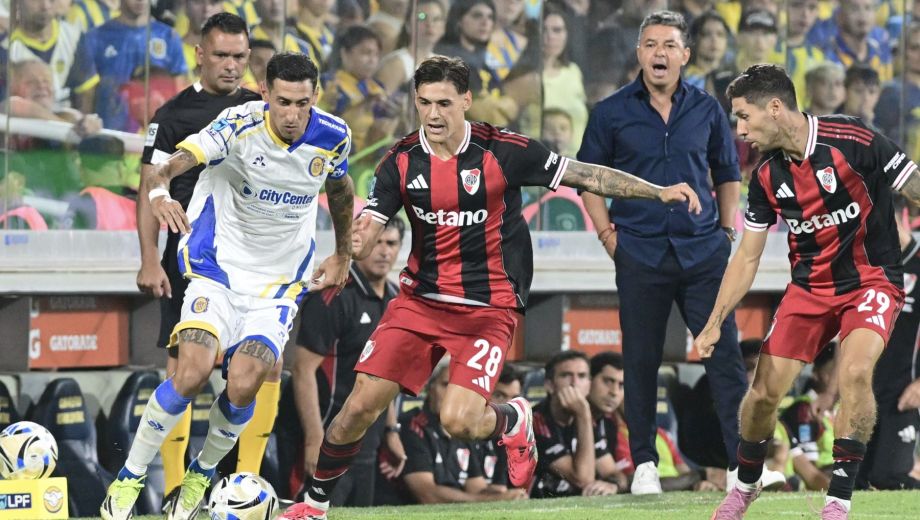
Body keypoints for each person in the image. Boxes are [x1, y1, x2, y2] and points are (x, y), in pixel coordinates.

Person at [280, 54, 701, 520]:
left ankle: (513, 418)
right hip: (420, 300)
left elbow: (588, 175)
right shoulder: (401, 160)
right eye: (424, 103)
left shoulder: (505, 150)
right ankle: (313, 507)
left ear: (467, 100)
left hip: (488, 305)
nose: (433, 114)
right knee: (357, 408)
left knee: (458, 420)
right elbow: (369, 225)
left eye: (443, 103)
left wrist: (656, 191)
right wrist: (346, 249)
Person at [102, 51, 355, 520]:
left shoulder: (333, 136)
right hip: (216, 270)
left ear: (315, 97)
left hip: (277, 287)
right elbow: (166, 168)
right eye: (283, 102)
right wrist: (158, 194)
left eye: (302, 103)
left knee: (245, 383)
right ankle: (129, 478)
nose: (293, 114)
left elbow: (340, 191)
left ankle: (202, 472)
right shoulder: (236, 125)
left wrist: (344, 251)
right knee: (192, 372)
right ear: (265, 94)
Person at [697, 63, 920, 519]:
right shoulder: (763, 178)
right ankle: (745, 484)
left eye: (743, 117)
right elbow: (747, 257)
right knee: (762, 396)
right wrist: (714, 322)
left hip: (872, 279)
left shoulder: (854, 139)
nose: (739, 131)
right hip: (809, 288)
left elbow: (914, 185)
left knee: (855, 372)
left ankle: (837, 501)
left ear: (775, 108)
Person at [579, 10, 748, 495]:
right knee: (640, 361)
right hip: (639, 252)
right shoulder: (610, 111)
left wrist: (726, 233)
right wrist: (609, 236)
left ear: (685, 55)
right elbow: (587, 178)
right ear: (639, 53)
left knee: (725, 357)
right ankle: (645, 466)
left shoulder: (709, 108)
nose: (659, 53)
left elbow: (727, 173)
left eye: (669, 45)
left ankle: (742, 465)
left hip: (703, 253)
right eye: (651, 44)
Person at [135, 12, 265, 499]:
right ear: (200, 55)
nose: (231, 65)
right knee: (187, 370)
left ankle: (242, 483)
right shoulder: (171, 116)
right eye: (222, 55)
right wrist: (149, 258)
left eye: (239, 56)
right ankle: (175, 490)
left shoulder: (262, 108)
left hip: (252, 262)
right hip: (191, 261)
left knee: (257, 367)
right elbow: (149, 185)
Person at [293, 218, 406, 506]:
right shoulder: (334, 294)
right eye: (377, 242)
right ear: (360, 244)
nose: (383, 251)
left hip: (367, 442)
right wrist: (312, 439)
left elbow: (386, 375)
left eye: (391, 243)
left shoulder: (397, 300)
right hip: (322, 435)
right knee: (313, 511)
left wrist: (391, 430)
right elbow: (303, 370)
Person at [399, 357, 528, 504]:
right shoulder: (412, 426)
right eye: (446, 385)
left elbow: (476, 489)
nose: (451, 395)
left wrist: (509, 496)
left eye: (458, 388)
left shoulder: (462, 429)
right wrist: (496, 498)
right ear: (429, 387)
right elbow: (428, 495)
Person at [857, 201, 920, 490]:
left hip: (904, 394)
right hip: (863, 393)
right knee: (853, 483)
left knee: (889, 478)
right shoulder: (868, 267)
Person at [83, 0, 187, 131]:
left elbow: (179, 96)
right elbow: (86, 96)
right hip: (109, 136)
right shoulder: (96, 37)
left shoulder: (168, 37)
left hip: (154, 138)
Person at [531, 351, 619, 498]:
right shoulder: (535, 421)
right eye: (566, 375)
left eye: (582, 376)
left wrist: (612, 484)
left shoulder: (587, 419)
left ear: (589, 385)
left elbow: (612, 472)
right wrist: (583, 415)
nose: (574, 383)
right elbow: (582, 479)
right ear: (550, 385)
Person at [68, 134, 137, 230]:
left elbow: (69, 241)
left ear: (82, 169)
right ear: (121, 168)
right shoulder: (146, 201)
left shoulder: (88, 199)